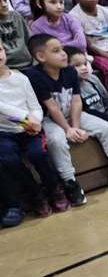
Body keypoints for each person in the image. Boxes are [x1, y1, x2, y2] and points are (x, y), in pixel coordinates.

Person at [26, 33, 108, 202]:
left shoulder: (70, 72)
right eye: (56, 51)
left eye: (63, 49)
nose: (64, 54)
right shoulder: (35, 76)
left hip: (73, 114)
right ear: (41, 56)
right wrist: (68, 129)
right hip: (48, 119)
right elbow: (51, 106)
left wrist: (76, 126)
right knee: (57, 141)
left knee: (106, 127)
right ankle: (70, 182)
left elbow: (76, 100)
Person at [0, 42, 66, 217]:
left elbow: (35, 106)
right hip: (4, 133)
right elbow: (2, 108)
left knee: (38, 154)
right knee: (8, 159)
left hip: (29, 130)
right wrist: (25, 117)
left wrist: (35, 120)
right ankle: (35, 194)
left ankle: (55, 189)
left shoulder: (21, 78)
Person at [0, 0, 31, 70]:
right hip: (10, 69)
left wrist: (36, 63)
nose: (4, 4)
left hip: (30, 64)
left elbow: (30, 40)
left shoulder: (16, 16)